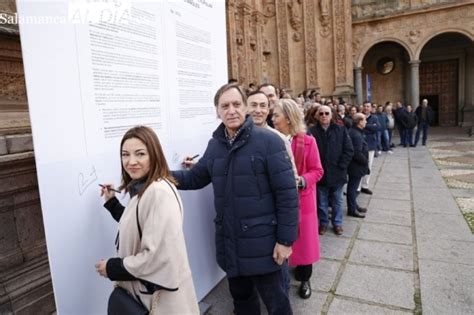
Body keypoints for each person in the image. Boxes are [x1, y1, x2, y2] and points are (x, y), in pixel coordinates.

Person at [172, 83, 299, 315]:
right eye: (225, 106)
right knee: (242, 302)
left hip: (264, 245)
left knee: (277, 305)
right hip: (231, 243)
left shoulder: (269, 142)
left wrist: (286, 240)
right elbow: (195, 178)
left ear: (245, 108)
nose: (231, 110)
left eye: (236, 104)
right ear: (217, 111)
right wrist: (159, 176)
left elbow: (287, 194)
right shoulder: (215, 145)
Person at [96, 126, 199, 314]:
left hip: (158, 299)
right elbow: (139, 225)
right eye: (125, 154)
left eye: (140, 154)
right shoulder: (146, 187)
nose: (131, 161)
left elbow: (158, 257)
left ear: (154, 155)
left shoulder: (158, 193)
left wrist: (112, 268)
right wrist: (112, 202)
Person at [272, 98, 324, 299]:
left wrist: (301, 180)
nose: (273, 119)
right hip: (279, 202)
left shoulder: (308, 141)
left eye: (276, 115)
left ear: (288, 117)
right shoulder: (271, 139)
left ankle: (305, 279)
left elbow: (318, 171)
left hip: (303, 200)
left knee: (304, 243)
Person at [309, 105, 354, 236]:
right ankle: (323, 223)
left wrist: (342, 166)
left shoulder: (341, 130)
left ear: (331, 115)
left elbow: (349, 150)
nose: (324, 116)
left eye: (326, 113)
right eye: (321, 113)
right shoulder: (312, 132)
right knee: (322, 202)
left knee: (337, 201)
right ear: (317, 116)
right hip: (321, 174)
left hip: (337, 172)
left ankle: (337, 223)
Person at [347, 113, 370, 218]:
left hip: (356, 166)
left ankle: (354, 205)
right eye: (364, 120)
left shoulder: (356, 132)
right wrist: (366, 161)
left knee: (353, 187)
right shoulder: (355, 134)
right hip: (355, 166)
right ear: (360, 122)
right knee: (353, 188)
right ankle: (352, 209)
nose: (366, 122)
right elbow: (357, 152)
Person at [360, 101, 380, 195]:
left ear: (371, 108)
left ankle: (365, 185)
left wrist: (365, 126)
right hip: (360, 145)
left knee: (369, 166)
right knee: (359, 166)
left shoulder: (374, 117)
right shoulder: (360, 116)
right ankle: (358, 187)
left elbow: (376, 128)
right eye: (365, 106)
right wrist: (370, 127)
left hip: (370, 145)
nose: (366, 108)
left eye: (368, 106)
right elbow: (358, 127)